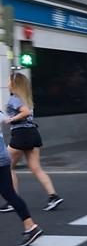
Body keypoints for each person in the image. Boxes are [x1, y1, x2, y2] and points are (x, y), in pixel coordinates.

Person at [0, 72, 63, 213]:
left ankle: (12, 201)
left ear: (14, 83)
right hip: (33, 133)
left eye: (9, 81)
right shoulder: (26, 98)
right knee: (36, 168)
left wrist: (10, 120)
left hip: (21, 135)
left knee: (7, 167)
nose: (7, 83)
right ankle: (53, 196)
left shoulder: (14, 99)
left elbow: (25, 112)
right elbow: (27, 111)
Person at [0, 123, 43, 246]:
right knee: (9, 193)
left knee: (9, 193)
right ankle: (30, 226)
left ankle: (30, 226)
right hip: (3, 158)